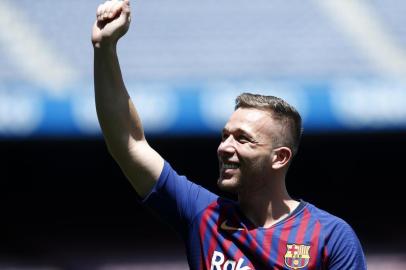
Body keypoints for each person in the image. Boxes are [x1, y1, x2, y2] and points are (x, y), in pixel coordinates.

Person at [91, 0, 367, 269]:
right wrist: (105, 48)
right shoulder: (204, 215)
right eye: (225, 136)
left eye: (242, 139)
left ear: (279, 157)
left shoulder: (331, 237)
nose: (224, 147)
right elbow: (128, 144)